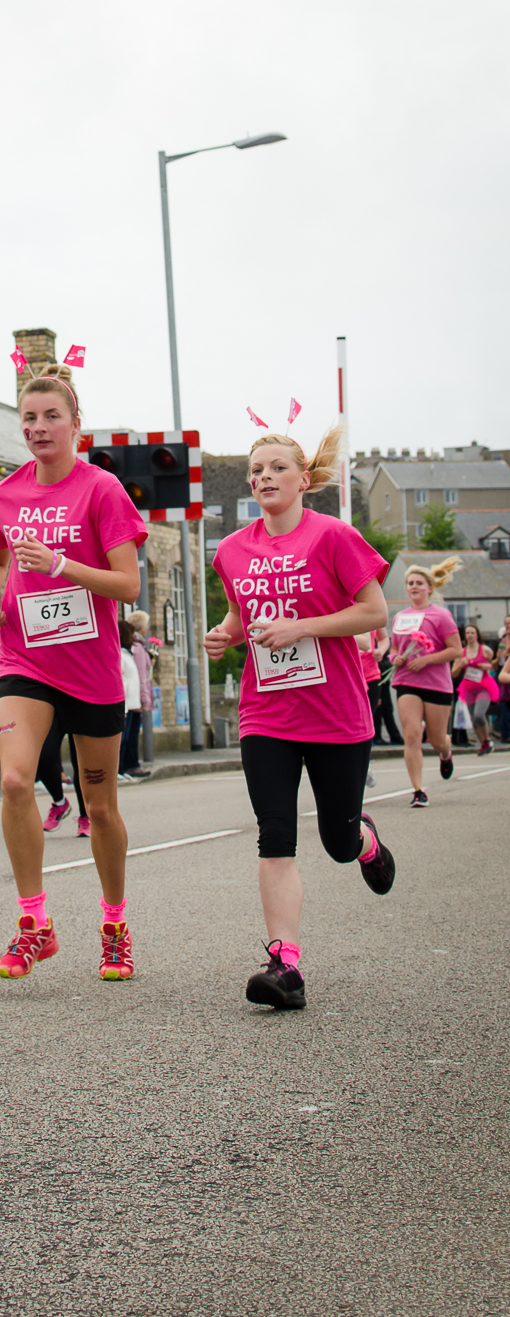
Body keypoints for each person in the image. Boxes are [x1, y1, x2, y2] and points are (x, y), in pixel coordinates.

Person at [205, 423, 394, 1012]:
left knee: (335, 841)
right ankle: (285, 964)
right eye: (256, 470)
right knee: (275, 837)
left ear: (304, 480)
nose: (264, 477)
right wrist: (223, 635)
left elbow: (373, 612)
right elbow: (242, 616)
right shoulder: (232, 550)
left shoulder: (334, 537)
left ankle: (363, 842)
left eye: (277, 468)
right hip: (267, 713)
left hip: (336, 713)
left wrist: (302, 627)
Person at [0, 362, 147, 982]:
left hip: (92, 670)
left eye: (52, 417)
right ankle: (34, 924)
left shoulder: (101, 490)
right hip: (26, 660)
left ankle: (114, 924)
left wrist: (60, 564)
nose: (39, 427)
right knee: (17, 782)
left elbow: (127, 585)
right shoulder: (4, 495)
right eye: (29, 418)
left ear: (77, 424)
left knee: (100, 808)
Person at [390, 559, 463, 807]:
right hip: (406, 681)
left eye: (419, 583)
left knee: (436, 739)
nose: (414, 587)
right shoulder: (400, 617)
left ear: (429, 588)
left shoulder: (441, 615)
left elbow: (456, 650)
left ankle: (446, 750)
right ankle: (418, 790)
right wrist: (394, 657)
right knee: (412, 735)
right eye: (410, 583)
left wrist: (427, 660)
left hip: (436, 683)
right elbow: (393, 648)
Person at [38, 716, 90, 837]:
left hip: (81, 704)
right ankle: (60, 803)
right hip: (55, 705)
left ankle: (86, 816)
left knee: (81, 763)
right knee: (43, 756)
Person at [453, 623, 500, 756]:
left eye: (473, 633)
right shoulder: (461, 653)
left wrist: (488, 666)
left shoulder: (485, 650)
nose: (470, 635)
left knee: (479, 714)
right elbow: (453, 673)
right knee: (474, 719)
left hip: (483, 686)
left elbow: (495, 666)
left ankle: (487, 740)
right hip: (468, 688)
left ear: (477, 635)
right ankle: (483, 744)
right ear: (465, 636)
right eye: (468, 633)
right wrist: (459, 665)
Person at [356, 624, 390, 786]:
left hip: (371, 675)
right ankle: (359, 764)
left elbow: (383, 638)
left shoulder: (369, 610)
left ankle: (364, 762)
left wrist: (381, 651)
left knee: (366, 722)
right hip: (350, 674)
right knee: (352, 722)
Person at [124, 610, 154, 777]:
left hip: (132, 696)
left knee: (131, 733)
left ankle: (131, 764)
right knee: (131, 733)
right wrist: (145, 699)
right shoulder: (137, 647)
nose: (147, 627)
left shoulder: (133, 646)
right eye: (146, 624)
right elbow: (141, 676)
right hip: (134, 697)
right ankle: (131, 764)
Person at [118, 621, 144, 780]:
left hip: (134, 704)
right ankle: (119, 769)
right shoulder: (120, 655)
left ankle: (127, 767)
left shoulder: (128, 654)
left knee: (130, 739)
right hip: (126, 705)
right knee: (122, 739)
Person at [495, 615, 510, 744]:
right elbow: (500, 669)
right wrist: (497, 658)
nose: (508, 626)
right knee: (506, 704)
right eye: (506, 623)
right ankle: (505, 734)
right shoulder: (502, 642)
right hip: (505, 677)